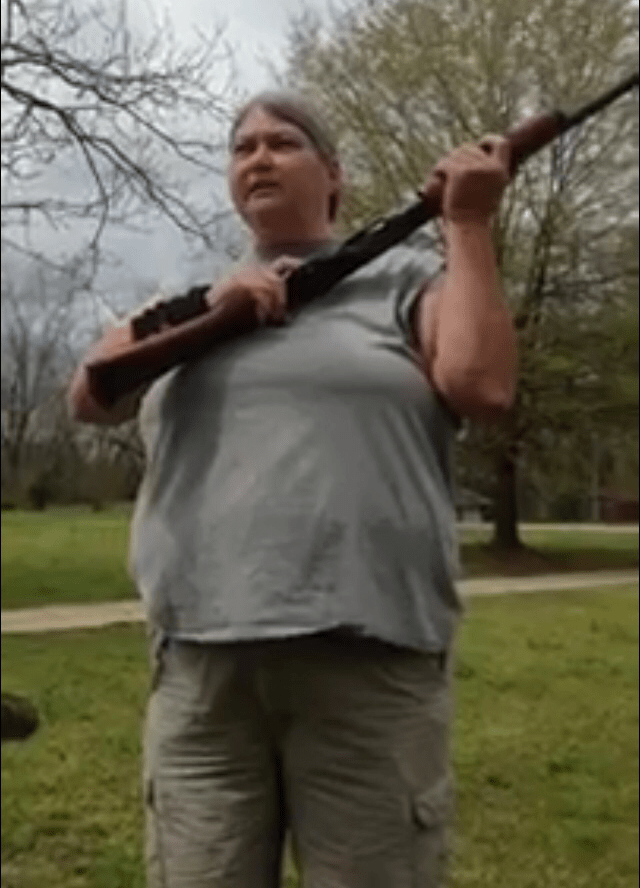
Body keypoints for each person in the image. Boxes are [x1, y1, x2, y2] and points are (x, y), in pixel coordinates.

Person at [68, 91, 518, 888]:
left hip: (369, 658)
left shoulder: (408, 281)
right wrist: (214, 309)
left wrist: (468, 221)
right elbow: (90, 395)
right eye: (243, 148)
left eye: (283, 142)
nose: (259, 157)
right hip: (201, 667)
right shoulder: (192, 301)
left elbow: (480, 383)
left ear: (333, 175)